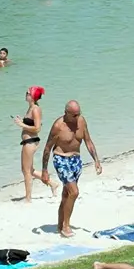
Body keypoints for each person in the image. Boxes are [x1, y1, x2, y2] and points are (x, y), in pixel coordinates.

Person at [40, 100, 101, 238]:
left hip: (76, 160)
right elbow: (48, 148)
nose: (77, 117)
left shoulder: (81, 121)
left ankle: (60, 224)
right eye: (74, 115)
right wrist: (44, 170)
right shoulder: (58, 126)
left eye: (78, 114)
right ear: (66, 113)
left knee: (67, 195)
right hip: (61, 159)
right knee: (74, 192)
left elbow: (88, 141)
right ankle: (66, 226)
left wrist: (96, 160)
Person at [15, 85, 46, 200]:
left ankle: (28, 198)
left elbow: (37, 128)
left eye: (28, 93)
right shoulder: (31, 108)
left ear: (32, 96)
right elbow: (31, 123)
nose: (26, 94)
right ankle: (52, 184)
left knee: (26, 171)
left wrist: (22, 125)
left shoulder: (36, 109)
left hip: (30, 141)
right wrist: (22, 120)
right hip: (27, 141)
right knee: (29, 170)